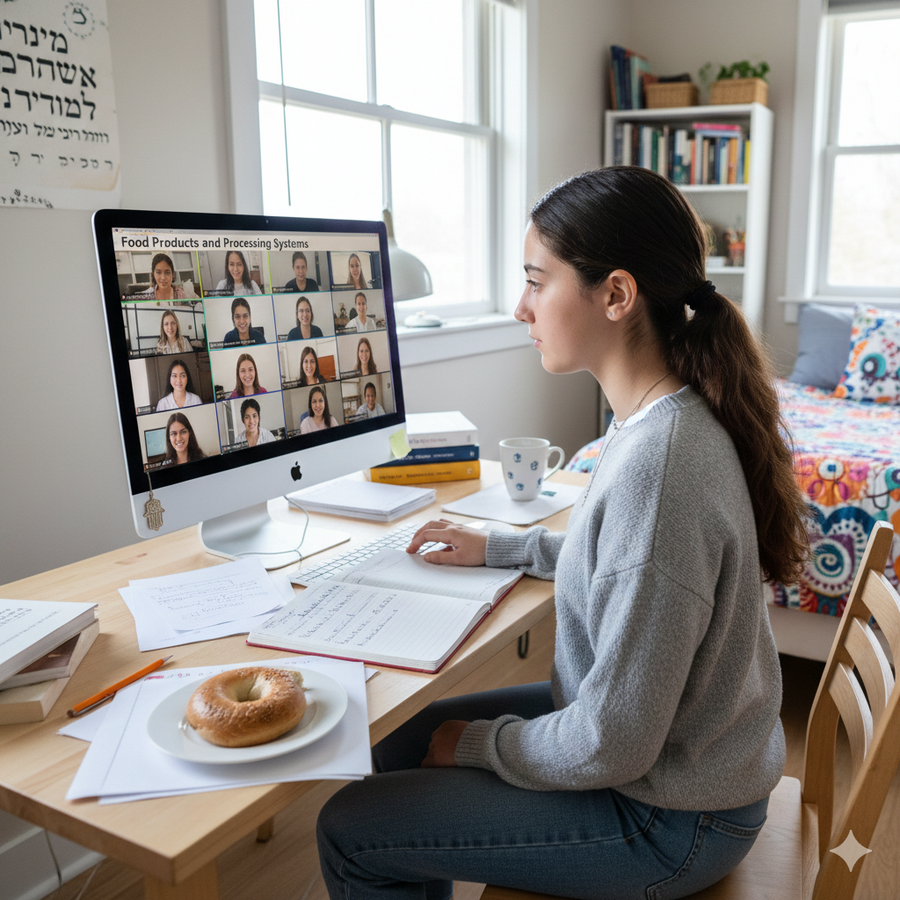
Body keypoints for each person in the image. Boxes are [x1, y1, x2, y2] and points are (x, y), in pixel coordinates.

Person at [316, 166, 810, 900]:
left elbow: (612, 740)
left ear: (615, 294)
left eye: (536, 281)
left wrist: (481, 746)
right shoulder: (656, 415)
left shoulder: (662, 464)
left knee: (350, 829)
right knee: (398, 737)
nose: (521, 307)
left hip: (670, 820)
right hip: (676, 761)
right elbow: (627, 564)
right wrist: (506, 547)